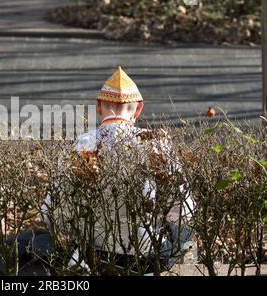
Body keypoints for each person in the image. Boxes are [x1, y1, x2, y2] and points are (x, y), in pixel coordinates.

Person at [42, 66, 195, 274]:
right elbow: (184, 207)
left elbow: (51, 211)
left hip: (94, 253)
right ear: (138, 109)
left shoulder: (82, 144)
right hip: (147, 254)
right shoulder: (155, 143)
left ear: (98, 107)